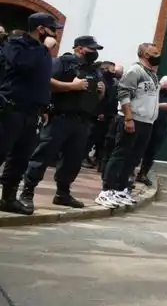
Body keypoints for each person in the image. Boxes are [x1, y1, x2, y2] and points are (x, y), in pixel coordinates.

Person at [19, 36, 106, 211]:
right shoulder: (63, 63)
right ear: (80, 48)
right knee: (43, 155)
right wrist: (71, 87)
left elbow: (95, 98)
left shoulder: (94, 69)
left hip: (82, 121)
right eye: (91, 49)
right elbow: (46, 82)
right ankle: (27, 192)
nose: (94, 53)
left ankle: (63, 194)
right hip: (60, 117)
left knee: (73, 160)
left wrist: (101, 92)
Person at [0, 13, 60, 215]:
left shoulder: (43, 52)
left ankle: (8, 198)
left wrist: (44, 107)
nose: (55, 34)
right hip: (12, 108)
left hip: (32, 113)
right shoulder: (17, 44)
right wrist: (43, 48)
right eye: (53, 29)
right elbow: (22, 66)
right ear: (41, 29)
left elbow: (41, 81)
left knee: (20, 158)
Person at [96, 43, 160, 208]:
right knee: (120, 155)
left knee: (133, 158)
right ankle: (106, 191)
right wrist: (129, 118)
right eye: (155, 52)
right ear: (145, 53)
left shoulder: (152, 74)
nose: (158, 55)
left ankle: (120, 189)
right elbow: (123, 94)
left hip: (147, 123)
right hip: (132, 120)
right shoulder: (135, 71)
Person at [135, 75, 167, 186]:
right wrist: (160, 106)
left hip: (161, 129)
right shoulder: (153, 93)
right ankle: (130, 172)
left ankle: (143, 174)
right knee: (139, 149)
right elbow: (146, 105)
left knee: (152, 153)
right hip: (149, 125)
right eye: (165, 86)